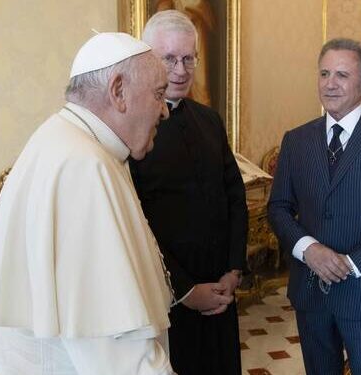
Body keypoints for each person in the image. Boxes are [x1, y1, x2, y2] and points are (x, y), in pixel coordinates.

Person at [0, 32, 174, 375]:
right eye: (158, 94)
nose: (165, 111)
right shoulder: (82, 166)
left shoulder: (72, 140)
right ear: (118, 91)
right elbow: (112, 345)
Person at [267, 38, 361, 375]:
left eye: (341, 75)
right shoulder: (296, 139)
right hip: (310, 292)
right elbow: (278, 207)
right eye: (324, 73)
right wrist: (309, 250)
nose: (330, 83)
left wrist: (350, 264)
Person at [128, 10, 248, 375]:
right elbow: (136, 220)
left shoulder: (209, 120)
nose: (180, 70)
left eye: (188, 58)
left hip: (220, 288)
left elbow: (234, 196)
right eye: (169, 59)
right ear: (148, 60)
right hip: (167, 296)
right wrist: (184, 290)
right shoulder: (132, 129)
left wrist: (233, 269)